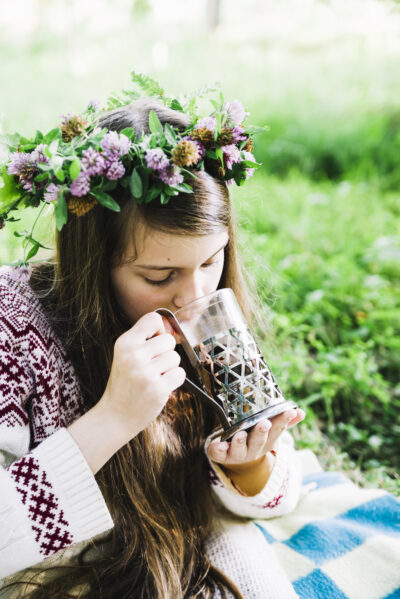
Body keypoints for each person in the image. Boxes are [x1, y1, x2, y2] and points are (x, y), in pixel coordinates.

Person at [0, 83, 305, 598]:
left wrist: (250, 465)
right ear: (92, 264)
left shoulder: (213, 315)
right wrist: (114, 419)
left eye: (212, 262)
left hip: (173, 541)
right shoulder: (14, 330)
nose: (194, 296)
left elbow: (279, 492)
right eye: (160, 276)